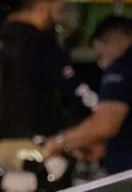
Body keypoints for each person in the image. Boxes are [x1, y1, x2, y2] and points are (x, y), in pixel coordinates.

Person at [0, 0, 98, 173]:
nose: (60, 18)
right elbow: (79, 90)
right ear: (43, 7)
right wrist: (103, 109)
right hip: (31, 149)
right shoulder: (40, 45)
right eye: (58, 10)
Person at [45, 15, 132, 173]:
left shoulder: (123, 68)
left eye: (100, 56)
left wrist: (60, 141)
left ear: (113, 39)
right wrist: (107, 147)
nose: (101, 65)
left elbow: (105, 125)